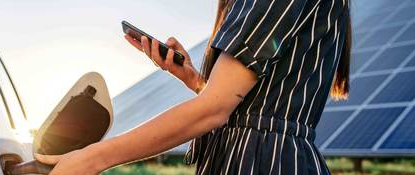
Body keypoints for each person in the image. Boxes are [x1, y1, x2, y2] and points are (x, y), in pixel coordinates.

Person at [35, 0, 352, 174]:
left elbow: (215, 110)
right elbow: (247, 105)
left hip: (263, 164)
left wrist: (92, 159)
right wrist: (193, 79)